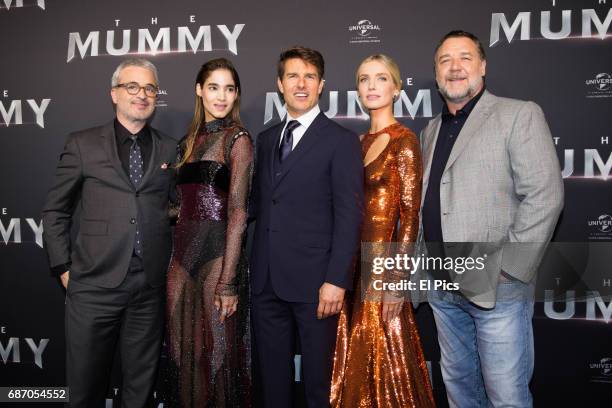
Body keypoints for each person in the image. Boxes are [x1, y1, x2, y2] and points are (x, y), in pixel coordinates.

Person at [416, 30, 564, 407]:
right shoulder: (430, 130)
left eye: (464, 57)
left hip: (497, 288)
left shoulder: (518, 114)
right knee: (461, 391)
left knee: (507, 396)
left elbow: (545, 195)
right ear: (435, 74)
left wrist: (509, 269)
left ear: (482, 65)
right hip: (442, 289)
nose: (455, 67)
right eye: (445, 60)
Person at [41, 58, 177, 407]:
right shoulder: (82, 144)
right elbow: (55, 210)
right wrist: (63, 269)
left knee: (139, 391)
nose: (142, 95)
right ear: (114, 93)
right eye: (132, 86)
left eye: (149, 88)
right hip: (93, 287)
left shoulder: (168, 147)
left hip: (147, 289)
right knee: (86, 390)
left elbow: (173, 208)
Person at [249, 46, 364, 407]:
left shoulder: (341, 140)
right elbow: (260, 204)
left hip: (317, 286)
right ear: (279, 84)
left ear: (321, 85)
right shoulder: (266, 140)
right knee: (273, 385)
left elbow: (349, 216)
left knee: (318, 385)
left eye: (310, 77)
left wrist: (336, 280)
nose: (301, 84)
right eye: (293, 76)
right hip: (266, 281)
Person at [331, 54, 435, 407]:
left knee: (387, 361)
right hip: (351, 268)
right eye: (364, 79)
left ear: (396, 87)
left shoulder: (404, 141)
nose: (371, 86)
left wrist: (396, 278)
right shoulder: (355, 143)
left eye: (380, 78)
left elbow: (411, 216)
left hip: (382, 269)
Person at [164, 58, 253, 407]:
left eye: (229, 89)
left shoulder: (238, 140)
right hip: (180, 259)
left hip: (219, 257)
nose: (221, 96)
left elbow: (238, 211)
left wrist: (228, 281)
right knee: (182, 352)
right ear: (199, 91)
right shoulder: (186, 142)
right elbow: (179, 206)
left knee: (216, 355)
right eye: (213, 87)